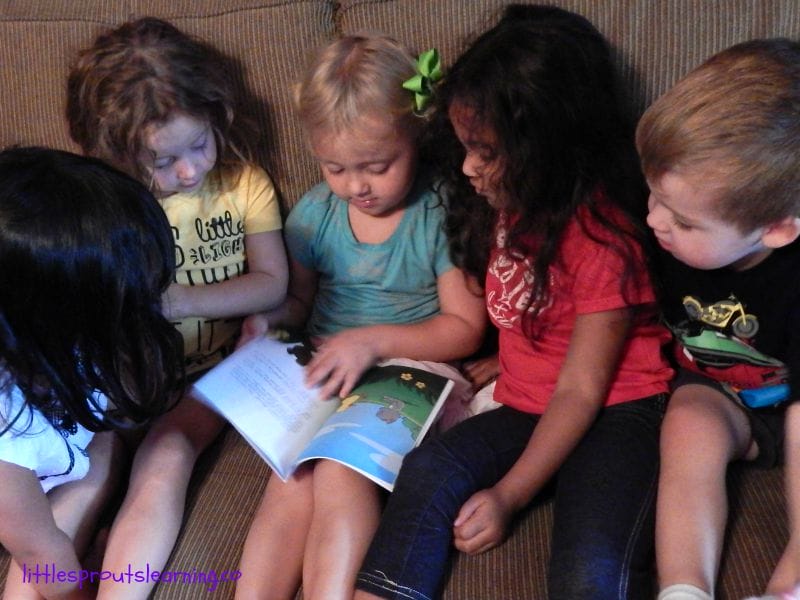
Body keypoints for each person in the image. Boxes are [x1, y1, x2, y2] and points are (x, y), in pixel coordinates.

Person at [353, 5, 675, 600]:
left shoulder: (604, 237)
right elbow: (541, 310)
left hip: (617, 410)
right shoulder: (504, 203)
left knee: (590, 563)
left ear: (549, 148)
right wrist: (513, 353)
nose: (469, 167)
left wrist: (510, 495)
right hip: (532, 400)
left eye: (486, 151)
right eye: (464, 147)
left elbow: (582, 390)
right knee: (426, 472)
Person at [233, 32, 486, 600]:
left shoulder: (441, 211)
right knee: (290, 475)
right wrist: (267, 325)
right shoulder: (315, 215)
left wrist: (369, 343)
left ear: (415, 137)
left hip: (415, 368)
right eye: (336, 168)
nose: (356, 186)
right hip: (330, 368)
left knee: (339, 470)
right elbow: (297, 302)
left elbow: (465, 328)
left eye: (376, 166)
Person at [66, 17, 289, 598]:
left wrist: (181, 301)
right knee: (86, 468)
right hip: (121, 376)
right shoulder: (112, 200)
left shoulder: (242, 182)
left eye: (198, 145)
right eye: (163, 161)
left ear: (218, 116)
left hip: (208, 376)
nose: (189, 170)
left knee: (167, 457)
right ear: (116, 153)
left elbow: (272, 283)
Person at [636, 39, 800, 600]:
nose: (654, 219)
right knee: (688, 425)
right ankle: (684, 589)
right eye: (652, 194)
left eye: (681, 219)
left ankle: (788, 586)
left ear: (776, 228)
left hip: (795, 398)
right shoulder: (662, 222)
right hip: (720, 391)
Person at [0, 146, 184, 600]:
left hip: (49, 476)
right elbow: (48, 565)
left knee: (98, 462)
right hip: (19, 508)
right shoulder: (6, 453)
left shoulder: (59, 340)